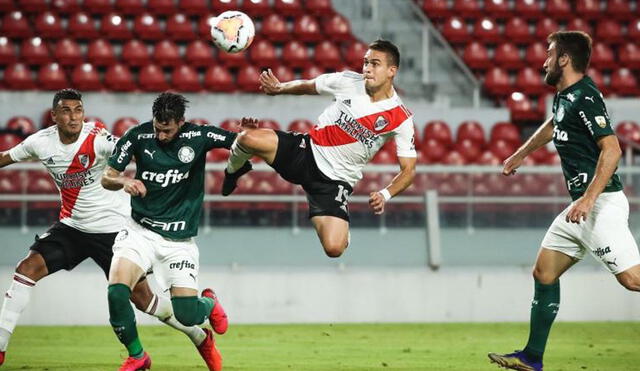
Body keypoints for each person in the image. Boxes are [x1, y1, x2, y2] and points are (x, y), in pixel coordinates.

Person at [0, 89, 221, 370]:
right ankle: (1, 348)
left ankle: (200, 336)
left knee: (144, 300)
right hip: (72, 227)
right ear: (54, 116)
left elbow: (137, 152)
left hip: (115, 230)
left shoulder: (98, 138)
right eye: (66, 111)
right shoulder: (40, 143)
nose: (73, 117)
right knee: (25, 269)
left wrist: (132, 179)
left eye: (78, 110)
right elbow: (5, 156)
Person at [488, 31, 640, 371]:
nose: (543, 61)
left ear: (564, 59)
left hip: (599, 205)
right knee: (544, 273)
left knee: (632, 280)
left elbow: (612, 149)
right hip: (579, 210)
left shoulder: (585, 96)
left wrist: (588, 200)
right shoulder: (564, 97)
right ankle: (531, 357)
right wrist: (521, 153)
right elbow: (553, 125)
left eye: (549, 54)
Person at [221, 39, 417, 258]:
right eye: (366, 62)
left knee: (334, 249)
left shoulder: (401, 118)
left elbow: (408, 171)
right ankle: (233, 171)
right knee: (246, 137)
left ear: (392, 70)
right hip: (306, 151)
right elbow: (309, 85)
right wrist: (279, 88)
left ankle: (342, 231)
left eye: (375, 64)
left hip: (334, 182)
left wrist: (385, 194)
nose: (367, 69)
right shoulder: (348, 81)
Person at [102, 92, 236, 370]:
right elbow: (107, 176)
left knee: (187, 315)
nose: (161, 135)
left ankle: (208, 303)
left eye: (168, 130)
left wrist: (248, 135)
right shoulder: (137, 137)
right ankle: (138, 355)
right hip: (139, 231)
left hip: (179, 241)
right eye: (157, 128)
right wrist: (124, 181)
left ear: (181, 122)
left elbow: (240, 142)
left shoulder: (198, 136)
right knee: (117, 291)